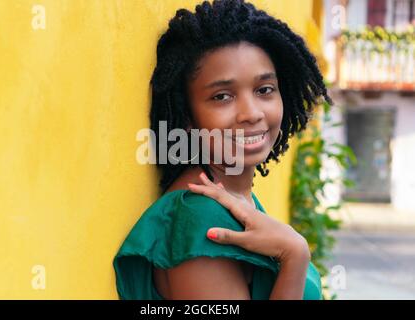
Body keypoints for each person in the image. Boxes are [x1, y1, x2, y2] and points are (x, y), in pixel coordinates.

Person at [113, 0, 332, 300]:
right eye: (222, 96)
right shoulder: (200, 218)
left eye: (264, 89)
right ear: (188, 118)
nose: (251, 113)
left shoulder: (235, 198)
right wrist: (295, 255)